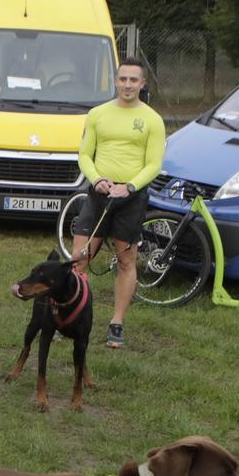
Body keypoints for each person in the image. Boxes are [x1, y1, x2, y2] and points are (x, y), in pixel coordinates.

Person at [70, 56, 165, 349]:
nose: (127, 85)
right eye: (123, 79)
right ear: (116, 81)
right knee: (79, 260)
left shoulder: (152, 119)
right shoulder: (98, 114)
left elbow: (154, 164)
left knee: (126, 261)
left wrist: (130, 186)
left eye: (133, 80)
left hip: (131, 199)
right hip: (99, 195)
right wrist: (98, 179)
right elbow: (84, 154)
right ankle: (73, 316)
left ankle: (117, 323)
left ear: (142, 84)